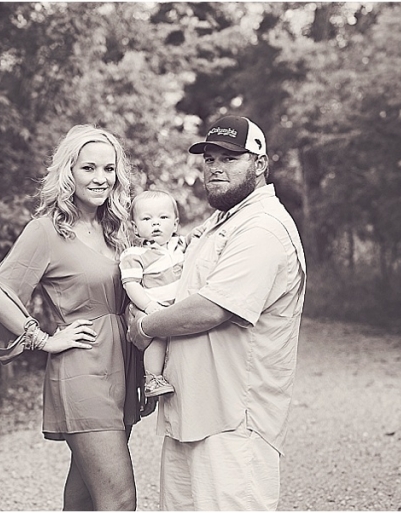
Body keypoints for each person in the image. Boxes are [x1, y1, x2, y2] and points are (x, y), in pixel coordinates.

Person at [127, 115, 307, 510]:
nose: (216, 167)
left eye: (230, 158)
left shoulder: (262, 227)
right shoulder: (223, 221)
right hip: (193, 413)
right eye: (210, 159)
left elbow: (212, 308)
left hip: (232, 421)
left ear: (259, 164)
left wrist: (145, 326)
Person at [0, 124, 144, 510]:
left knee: (85, 498)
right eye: (89, 168)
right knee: (120, 500)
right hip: (82, 369)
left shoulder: (117, 230)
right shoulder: (46, 231)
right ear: (68, 172)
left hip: (121, 369)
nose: (101, 178)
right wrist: (43, 339)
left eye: (109, 168)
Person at [119, 190, 186, 398]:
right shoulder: (134, 254)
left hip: (182, 308)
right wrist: (148, 306)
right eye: (147, 219)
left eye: (163, 217)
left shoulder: (180, 245)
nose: (156, 223)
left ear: (175, 224)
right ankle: (152, 378)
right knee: (159, 336)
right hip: (157, 308)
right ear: (135, 227)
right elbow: (131, 284)